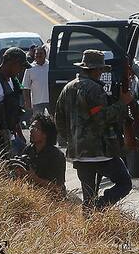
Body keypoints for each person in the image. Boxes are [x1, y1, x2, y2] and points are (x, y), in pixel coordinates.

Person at [56, 49, 133, 210]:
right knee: (124, 183)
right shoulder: (94, 89)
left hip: (78, 153)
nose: (101, 73)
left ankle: (91, 216)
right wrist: (122, 103)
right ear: (96, 70)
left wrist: (72, 140)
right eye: (101, 70)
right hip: (100, 153)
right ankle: (100, 206)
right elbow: (102, 118)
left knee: (88, 197)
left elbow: (59, 120)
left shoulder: (67, 88)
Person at [11, 114, 66, 194]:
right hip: (32, 194)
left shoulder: (56, 155)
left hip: (52, 198)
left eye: (35, 128)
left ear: (45, 134)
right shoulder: (28, 150)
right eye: (31, 127)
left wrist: (35, 178)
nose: (31, 130)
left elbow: (58, 188)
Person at [23, 45, 51, 119]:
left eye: (41, 53)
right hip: (37, 103)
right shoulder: (29, 68)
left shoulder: (50, 66)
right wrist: (27, 102)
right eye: (36, 54)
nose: (39, 56)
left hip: (51, 101)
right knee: (39, 123)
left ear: (45, 55)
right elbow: (25, 87)